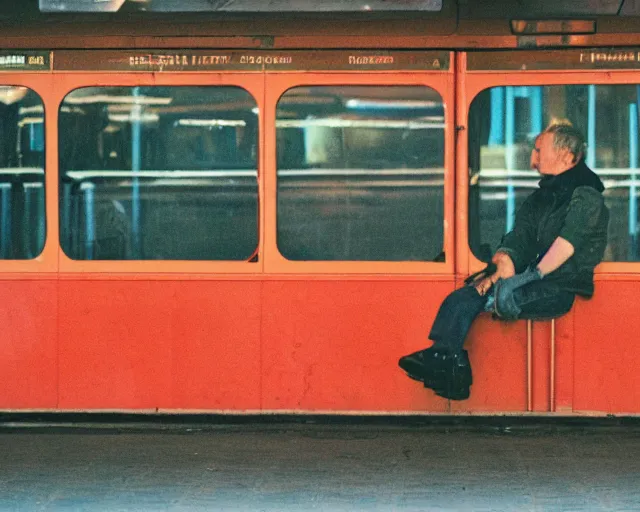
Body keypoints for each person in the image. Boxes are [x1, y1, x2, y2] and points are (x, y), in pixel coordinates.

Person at [399, 122, 609, 400]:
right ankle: (450, 366)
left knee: (487, 298)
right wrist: (504, 260)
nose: (532, 159)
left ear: (568, 156)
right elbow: (521, 235)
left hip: (559, 287)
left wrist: (528, 277)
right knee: (464, 296)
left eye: (538, 151)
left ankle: (451, 366)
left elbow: (566, 245)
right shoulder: (542, 197)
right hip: (535, 278)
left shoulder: (587, 196)